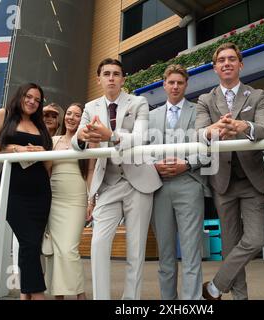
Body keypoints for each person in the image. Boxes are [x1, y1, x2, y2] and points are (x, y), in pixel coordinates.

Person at [71, 58, 162, 299]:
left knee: (136, 250)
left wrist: (109, 135)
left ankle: (129, 301)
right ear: (99, 79)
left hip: (139, 183)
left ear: (123, 79)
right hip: (108, 184)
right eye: (107, 73)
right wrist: (82, 136)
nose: (111, 77)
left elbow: (141, 137)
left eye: (116, 74)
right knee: (99, 245)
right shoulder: (90, 107)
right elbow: (76, 143)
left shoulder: (139, 102)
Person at [195, 42, 264, 300]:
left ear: (240, 64)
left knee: (254, 241)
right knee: (230, 247)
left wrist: (242, 125)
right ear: (215, 68)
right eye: (221, 60)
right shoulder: (205, 99)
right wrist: (214, 129)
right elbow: (200, 133)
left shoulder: (257, 95)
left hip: (253, 181)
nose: (227, 63)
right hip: (223, 182)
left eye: (232, 59)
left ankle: (215, 286)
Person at [0, 83, 52, 300]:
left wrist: (42, 151)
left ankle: (25, 295)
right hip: (14, 189)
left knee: (30, 244)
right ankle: (38, 294)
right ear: (20, 96)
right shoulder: (5, 115)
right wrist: (17, 148)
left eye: (37, 100)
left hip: (40, 190)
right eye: (28, 97)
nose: (32, 102)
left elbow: (48, 162)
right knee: (29, 242)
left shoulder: (39, 124)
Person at [148, 64, 210, 300]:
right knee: (165, 253)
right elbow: (141, 151)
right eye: (170, 82)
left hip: (189, 183)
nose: (175, 86)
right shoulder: (151, 116)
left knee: (192, 251)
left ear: (186, 85)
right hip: (159, 187)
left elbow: (209, 149)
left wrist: (187, 163)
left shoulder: (199, 112)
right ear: (164, 85)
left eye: (180, 82)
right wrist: (155, 165)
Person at [44, 103, 95, 300]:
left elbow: (90, 171)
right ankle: (61, 296)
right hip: (54, 198)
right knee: (58, 252)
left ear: (83, 119)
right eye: (69, 114)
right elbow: (47, 172)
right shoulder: (53, 140)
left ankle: (80, 295)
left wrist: (92, 200)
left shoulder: (88, 142)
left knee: (69, 249)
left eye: (77, 115)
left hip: (76, 199)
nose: (71, 118)